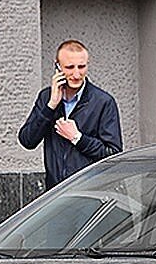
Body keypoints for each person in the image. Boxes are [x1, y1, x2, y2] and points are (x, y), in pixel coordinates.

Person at [18, 40, 123, 189]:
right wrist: (51, 106)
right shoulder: (46, 97)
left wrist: (78, 138)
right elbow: (27, 140)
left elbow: (113, 154)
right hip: (57, 194)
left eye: (81, 67)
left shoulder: (103, 102)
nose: (76, 74)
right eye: (69, 67)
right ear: (57, 66)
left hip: (91, 193)